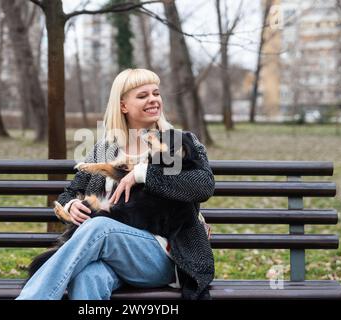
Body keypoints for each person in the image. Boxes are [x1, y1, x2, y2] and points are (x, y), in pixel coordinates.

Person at [16, 68, 215, 300]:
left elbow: (203, 185)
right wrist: (70, 206)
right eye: (142, 96)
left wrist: (142, 173)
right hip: (111, 255)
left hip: (164, 256)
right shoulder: (105, 148)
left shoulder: (176, 141)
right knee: (88, 277)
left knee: (101, 227)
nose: (153, 100)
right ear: (123, 106)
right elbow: (70, 192)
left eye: (156, 93)